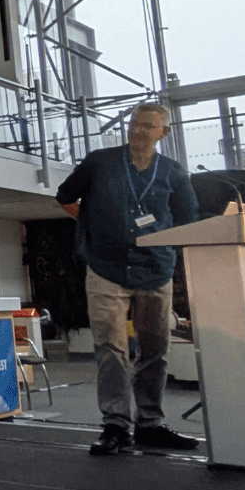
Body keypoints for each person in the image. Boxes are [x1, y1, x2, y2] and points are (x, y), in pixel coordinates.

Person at [55, 102, 201, 456]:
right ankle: (115, 425)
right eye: (135, 123)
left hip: (155, 269)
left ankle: (150, 423)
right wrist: (91, 226)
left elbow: (188, 219)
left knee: (156, 350)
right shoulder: (100, 162)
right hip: (106, 268)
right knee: (111, 349)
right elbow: (65, 196)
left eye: (148, 126)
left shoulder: (173, 171)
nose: (138, 130)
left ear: (163, 132)